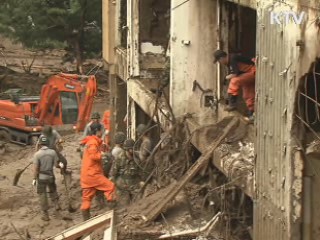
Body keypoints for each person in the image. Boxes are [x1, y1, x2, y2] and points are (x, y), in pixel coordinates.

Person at [80, 122, 115, 221]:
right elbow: (93, 155)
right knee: (110, 187)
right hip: (93, 174)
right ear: (98, 131)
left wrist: (102, 148)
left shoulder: (91, 141)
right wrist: (103, 155)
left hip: (86, 175)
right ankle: (112, 212)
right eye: (101, 130)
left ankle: (85, 221)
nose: (103, 131)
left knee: (87, 198)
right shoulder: (92, 143)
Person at [213, 49, 256, 122]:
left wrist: (226, 78)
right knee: (247, 96)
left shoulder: (232, 59)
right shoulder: (230, 61)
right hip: (247, 74)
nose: (220, 63)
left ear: (221, 58)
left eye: (219, 61)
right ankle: (252, 115)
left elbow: (235, 74)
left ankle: (232, 103)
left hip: (253, 71)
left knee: (234, 81)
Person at [32, 136, 63, 221]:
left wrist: (34, 179)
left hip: (42, 178)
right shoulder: (52, 152)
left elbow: (36, 169)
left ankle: (46, 215)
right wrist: (61, 166)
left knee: (42, 195)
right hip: (51, 176)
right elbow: (57, 165)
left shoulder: (37, 154)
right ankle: (56, 205)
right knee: (53, 190)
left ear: (40, 144)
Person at [111, 139, 141, 206]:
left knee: (138, 206)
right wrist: (115, 188)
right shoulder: (120, 158)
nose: (132, 150)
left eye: (133, 148)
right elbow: (113, 174)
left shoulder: (137, 157)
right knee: (124, 208)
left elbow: (141, 170)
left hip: (135, 187)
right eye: (131, 149)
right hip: (122, 189)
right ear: (126, 149)